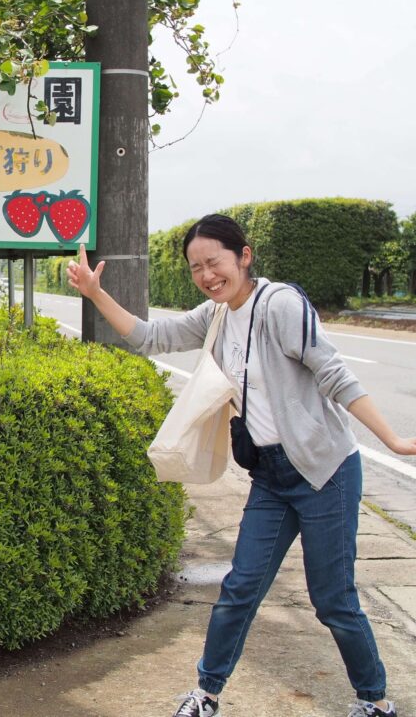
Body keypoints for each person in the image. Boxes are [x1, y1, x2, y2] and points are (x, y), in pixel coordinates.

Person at [66, 214, 416, 717]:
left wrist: (393, 439)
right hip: (272, 477)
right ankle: (207, 694)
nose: (207, 275)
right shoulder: (217, 314)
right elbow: (148, 337)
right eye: (196, 268)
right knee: (240, 587)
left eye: (215, 263)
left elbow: (334, 375)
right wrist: (95, 294)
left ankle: (375, 701)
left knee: (333, 600)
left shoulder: (280, 305)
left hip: (325, 473)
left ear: (244, 256)